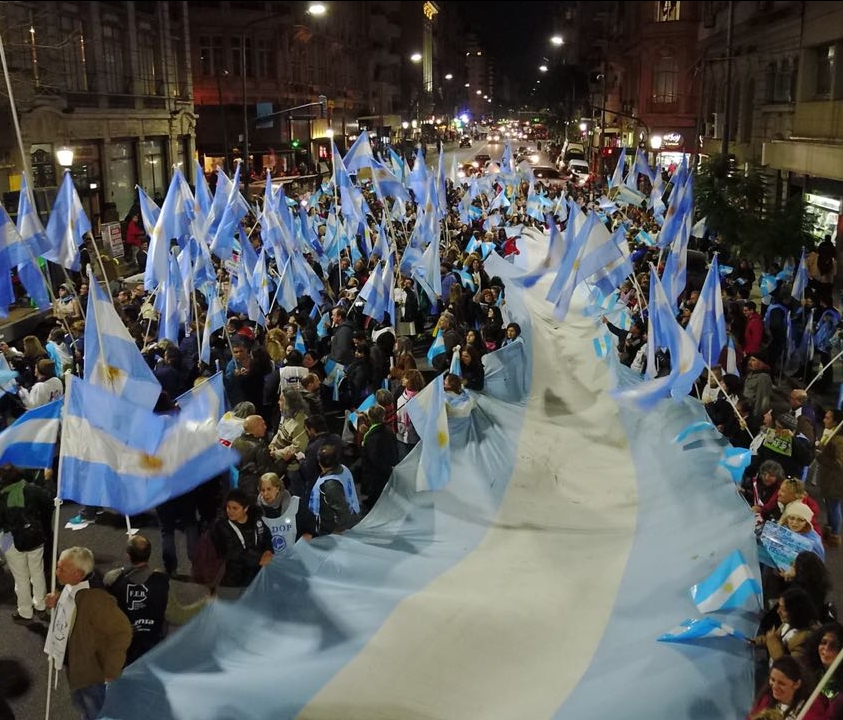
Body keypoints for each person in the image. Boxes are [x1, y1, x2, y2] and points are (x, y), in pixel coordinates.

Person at [44, 547, 133, 720]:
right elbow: (75, 603)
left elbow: (122, 631)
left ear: (78, 574)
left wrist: (111, 670)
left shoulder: (97, 600)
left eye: (61, 569)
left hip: (91, 672)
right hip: (77, 665)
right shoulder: (75, 586)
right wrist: (59, 599)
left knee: (96, 711)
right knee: (82, 705)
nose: (56, 572)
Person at [102, 535, 170, 666]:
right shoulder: (161, 580)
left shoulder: (113, 579)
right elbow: (172, 610)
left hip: (126, 644)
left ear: (128, 556)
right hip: (153, 642)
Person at [0, 464, 52, 624]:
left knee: (21, 578)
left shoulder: (1, 497)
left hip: (11, 541)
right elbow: (49, 501)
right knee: (37, 572)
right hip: (34, 538)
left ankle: (25, 612)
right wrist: (48, 479)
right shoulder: (32, 489)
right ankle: (41, 606)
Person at [210, 488, 273, 600]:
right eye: (228, 507)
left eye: (235, 508)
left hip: (256, 578)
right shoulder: (222, 526)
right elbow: (233, 551)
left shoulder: (257, 522)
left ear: (246, 508)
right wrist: (258, 559)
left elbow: (266, 537)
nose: (230, 511)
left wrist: (268, 550)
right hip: (234, 580)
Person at [747, 655, 824, 719]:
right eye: (772, 679)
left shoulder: (811, 709)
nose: (775, 686)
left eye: (781, 683)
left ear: (797, 684)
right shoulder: (765, 701)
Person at [307, 444, 360, 537]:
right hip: (352, 516)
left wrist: (337, 530)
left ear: (319, 463)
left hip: (330, 529)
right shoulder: (343, 469)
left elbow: (342, 511)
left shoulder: (330, 484)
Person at [231, 415, 276, 503]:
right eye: (262, 425)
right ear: (255, 428)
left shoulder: (236, 441)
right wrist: (283, 461)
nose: (265, 427)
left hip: (241, 482)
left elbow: (235, 463)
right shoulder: (259, 447)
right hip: (256, 488)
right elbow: (268, 473)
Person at [816, 408, 843, 548]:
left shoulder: (839, 440)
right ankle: (831, 531)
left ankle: (834, 535)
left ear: (836, 422)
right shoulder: (831, 434)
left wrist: (820, 456)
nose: (824, 420)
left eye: (828, 418)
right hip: (829, 478)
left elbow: (840, 463)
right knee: (831, 506)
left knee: (834, 507)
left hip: (836, 480)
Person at [257, 472, 299, 556]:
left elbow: (307, 531)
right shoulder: (257, 511)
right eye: (262, 490)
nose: (265, 493)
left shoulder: (294, 504)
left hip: (294, 556)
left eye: (269, 489)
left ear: (277, 488)